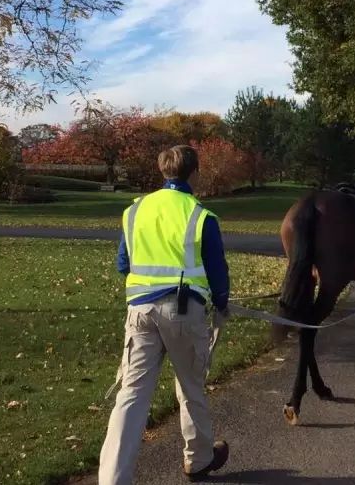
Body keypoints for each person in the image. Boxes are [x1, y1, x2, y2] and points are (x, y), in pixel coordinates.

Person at [99, 145, 230, 484]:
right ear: (194, 174)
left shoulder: (135, 210)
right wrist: (222, 301)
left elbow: (122, 264)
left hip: (139, 311)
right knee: (190, 387)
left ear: (163, 172)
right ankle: (199, 459)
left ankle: (113, 478)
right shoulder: (201, 215)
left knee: (131, 396)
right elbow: (217, 271)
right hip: (184, 311)